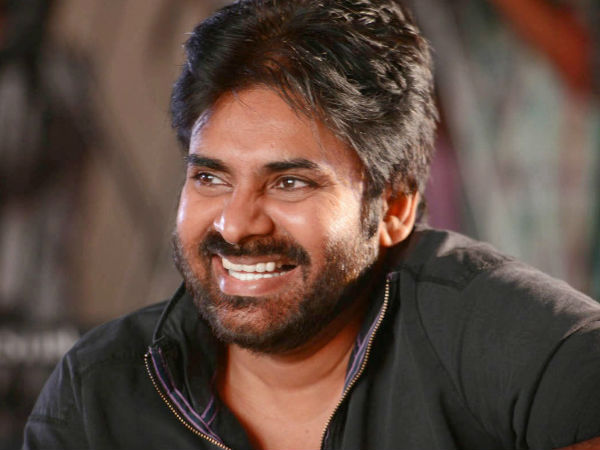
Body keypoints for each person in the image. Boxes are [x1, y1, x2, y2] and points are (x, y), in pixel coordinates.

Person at [23, 0, 600, 449]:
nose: (236, 224)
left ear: (394, 210)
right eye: (211, 177)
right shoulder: (98, 390)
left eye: (290, 182)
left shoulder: (488, 331)